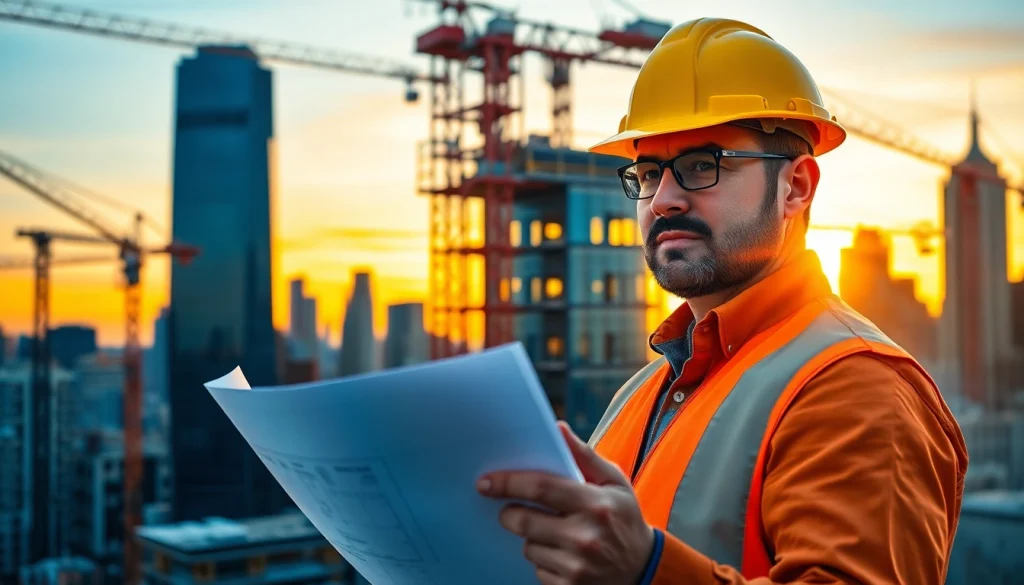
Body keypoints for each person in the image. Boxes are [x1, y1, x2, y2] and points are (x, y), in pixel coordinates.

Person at [476, 16, 968, 585]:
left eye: (700, 166)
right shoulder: (644, 391)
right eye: (648, 172)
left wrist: (648, 570)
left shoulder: (857, 389)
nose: (662, 199)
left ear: (796, 186)